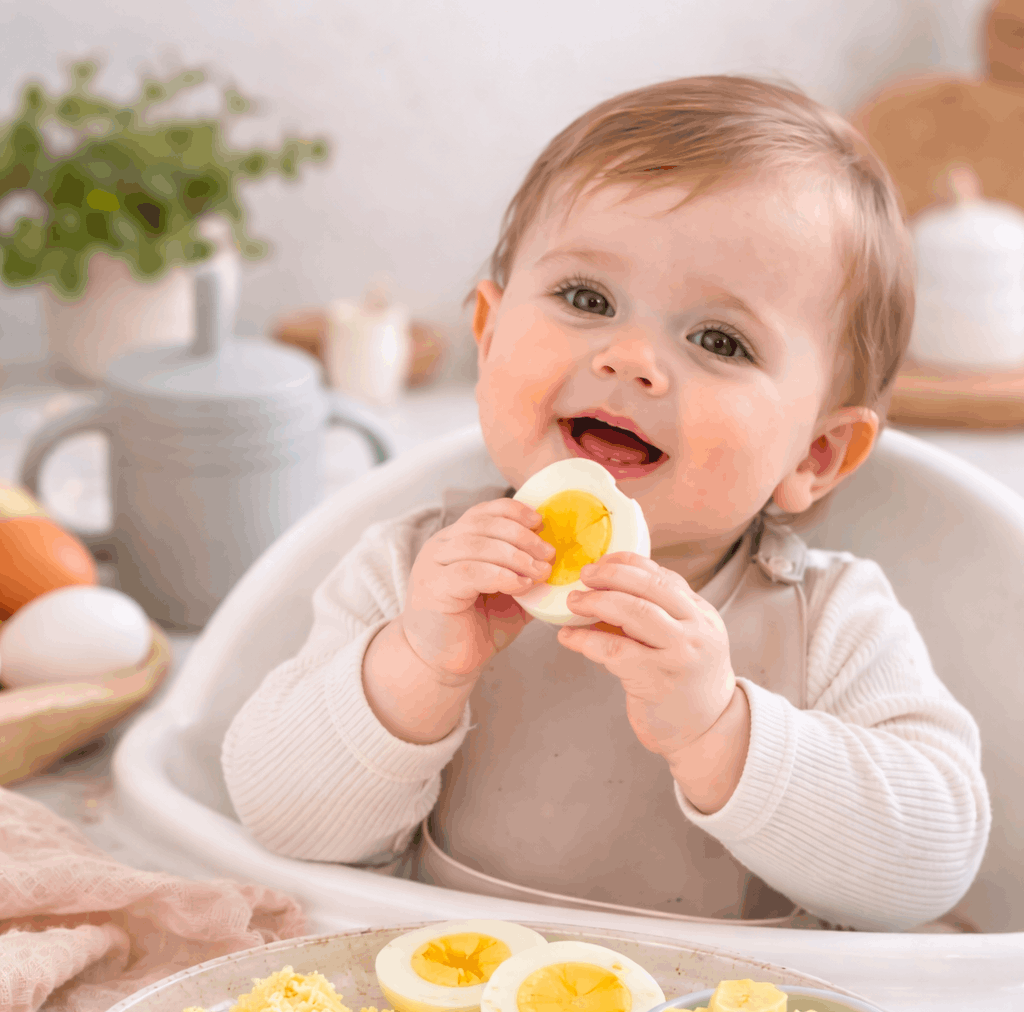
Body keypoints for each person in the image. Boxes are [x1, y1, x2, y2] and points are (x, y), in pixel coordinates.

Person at [222, 76, 990, 932]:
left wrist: (722, 732)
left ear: (814, 455)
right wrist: (417, 667)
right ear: (488, 336)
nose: (630, 358)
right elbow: (278, 819)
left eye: (719, 340)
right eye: (587, 299)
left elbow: (933, 868)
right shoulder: (416, 574)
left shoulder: (832, 618)